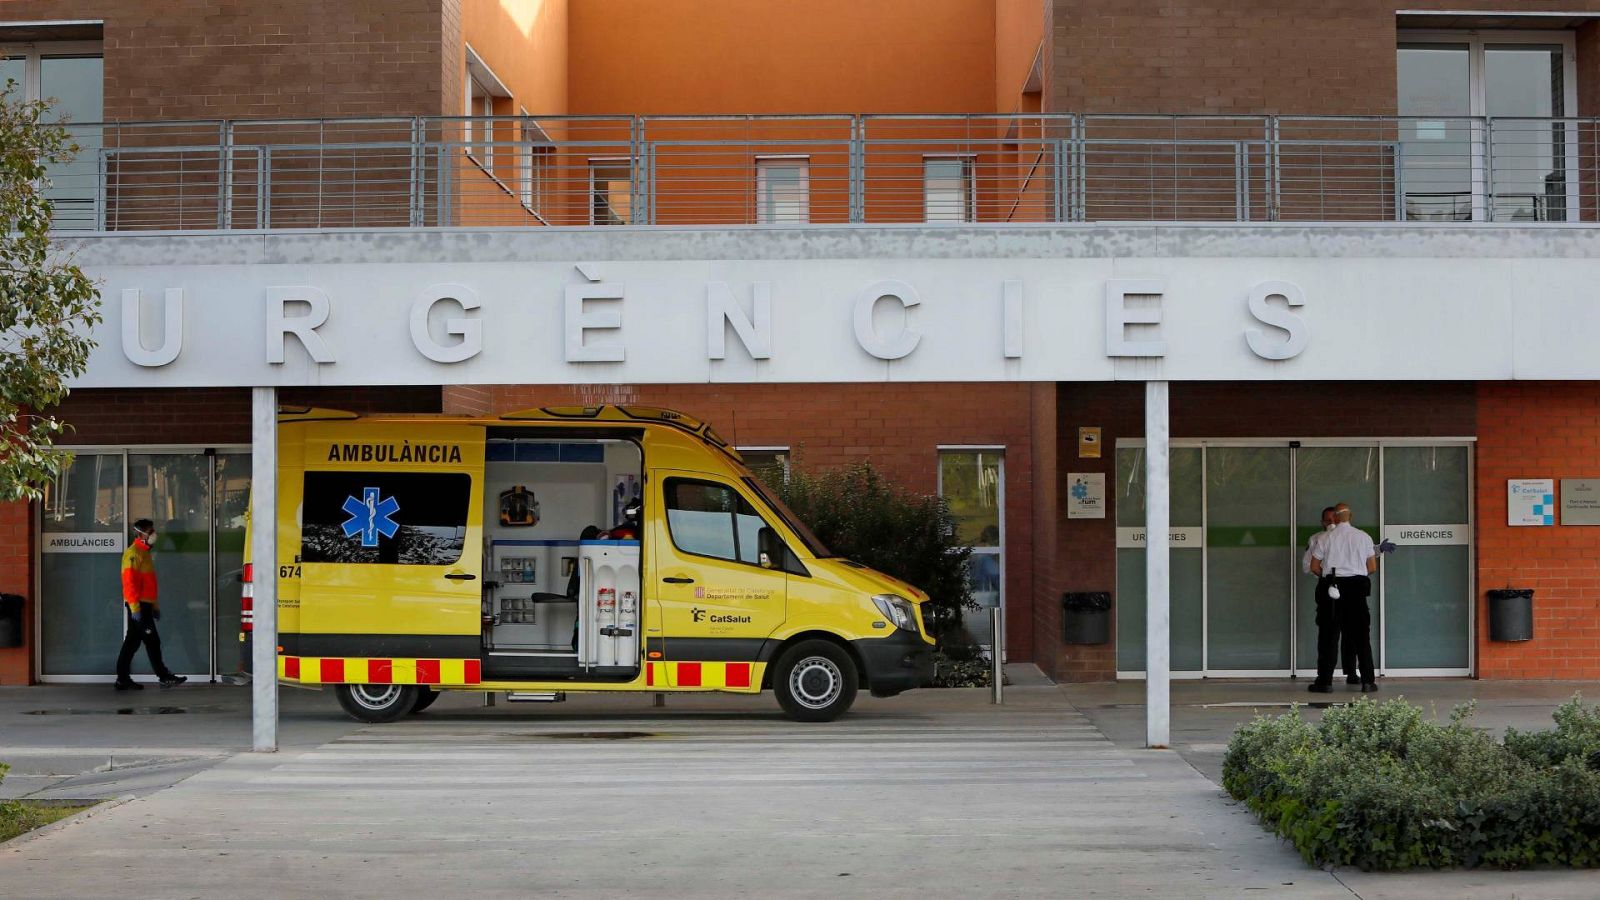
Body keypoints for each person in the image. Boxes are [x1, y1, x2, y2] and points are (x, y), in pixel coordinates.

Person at [1309, 503, 1378, 693]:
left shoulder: (1325, 537)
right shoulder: (1363, 537)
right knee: (1361, 636)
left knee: (1328, 636)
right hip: (1356, 589)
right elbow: (1372, 567)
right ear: (1351, 516)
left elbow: (1314, 566)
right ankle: (1368, 681)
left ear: (1336, 519)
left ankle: (1325, 682)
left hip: (1332, 587)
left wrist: (1331, 576)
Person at [115, 519, 187, 690]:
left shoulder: (145, 553)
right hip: (138, 606)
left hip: (144, 606)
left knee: (132, 642)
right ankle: (163, 676)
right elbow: (129, 584)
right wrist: (135, 608)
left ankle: (122, 679)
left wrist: (154, 606)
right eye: (150, 531)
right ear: (140, 533)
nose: (154, 534)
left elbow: (149, 585)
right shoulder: (133, 554)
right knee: (152, 641)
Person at [1302, 506, 1357, 685]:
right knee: (1328, 635)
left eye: (1335, 519)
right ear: (1322, 522)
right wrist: (1327, 577)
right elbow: (1307, 566)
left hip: (1348, 589)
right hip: (1328, 589)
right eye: (1328, 520)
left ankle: (1351, 672)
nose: (1332, 523)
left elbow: (1362, 558)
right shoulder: (1318, 539)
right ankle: (1325, 677)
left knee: (1350, 633)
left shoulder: (1352, 537)